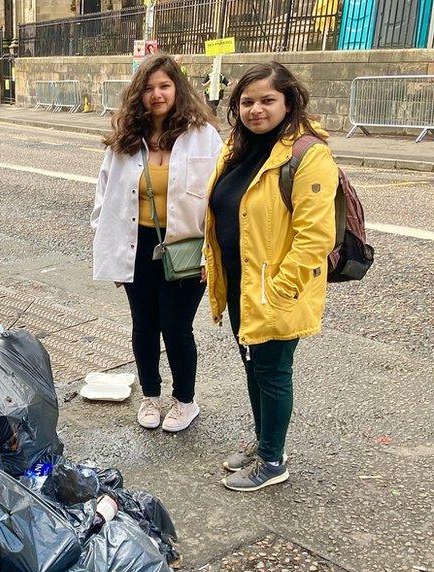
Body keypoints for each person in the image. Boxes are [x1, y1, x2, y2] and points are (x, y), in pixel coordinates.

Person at [205, 62, 338, 492]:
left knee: (274, 371)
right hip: (240, 282)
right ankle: (265, 442)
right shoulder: (239, 148)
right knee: (253, 366)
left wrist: (279, 290)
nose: (256, 109)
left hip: (275, 289)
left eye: (267, 100)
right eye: (247, 101)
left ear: (288, 101)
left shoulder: (308, 155)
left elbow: (314, 237)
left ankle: (273, 461)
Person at [91, 54, 223, 433]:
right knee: (144, 324)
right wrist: (111, 254)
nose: (157, 94)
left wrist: (209, 254)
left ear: (177, 89)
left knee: (176, 326)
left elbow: (218, 197)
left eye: (164, 86)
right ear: (139, 94)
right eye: (148, 88)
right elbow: (105, 196)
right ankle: (150, 396)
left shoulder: (203, 136)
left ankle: (185, 401)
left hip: (186, 244)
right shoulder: (126, 140)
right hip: (137, 243)